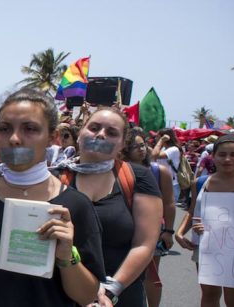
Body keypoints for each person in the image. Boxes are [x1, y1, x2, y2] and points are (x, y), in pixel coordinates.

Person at [0, 89, 105, 306]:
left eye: (30, 129)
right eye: (5, 128)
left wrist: (67, 257)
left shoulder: (76, 206)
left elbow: (86, 295)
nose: (14, 139)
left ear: (51, 137)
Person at [63, 108, 163, 306]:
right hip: (64, 293)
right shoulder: (55, 177)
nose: (100, 134)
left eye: (111, 132)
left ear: (122, 144)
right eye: (94, 128)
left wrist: (109, 292)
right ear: (80, 133)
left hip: (122, 294)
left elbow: (144, 244)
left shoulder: (139, 178)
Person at [175, 134, 234, 307]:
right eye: (222, 154)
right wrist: (180, 233)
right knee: (209, 295)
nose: (228, 159)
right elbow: (193, 210)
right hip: (207, 246)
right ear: (213, 156)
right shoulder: (201, 182)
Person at [121, 128, 175, 307]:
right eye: (135, 146)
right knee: (125, 271)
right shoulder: (118, 171)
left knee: (151, 273)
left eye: (142, 145)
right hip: (125, 229)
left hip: (154, 230)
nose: (141, 149)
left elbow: (169, 203)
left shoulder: (159, 171)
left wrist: (168, 231)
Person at [152, 128, 183, 203]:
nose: (156, 138)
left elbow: (154, 155)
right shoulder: (163, 149)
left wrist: (161, 140)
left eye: (158, 136)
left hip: (170, 185)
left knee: (166, 212)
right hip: (160, 183)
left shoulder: (174, 149)